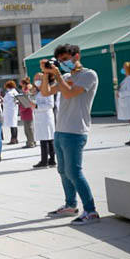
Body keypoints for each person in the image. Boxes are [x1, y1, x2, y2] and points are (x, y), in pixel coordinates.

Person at [40, 43, 99, 224]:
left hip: (76, 130)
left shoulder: (89, 75)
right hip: (61, 130)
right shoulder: (65, 75)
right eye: (59, 60)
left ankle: (91, 210)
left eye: (65, 59)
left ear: (76, 56)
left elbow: (69, 93)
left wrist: (57, 74)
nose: (62, 63)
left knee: (74, 172)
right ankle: (70, 205)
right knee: (63, 171)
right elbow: (45, 92)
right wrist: (46, 75)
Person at [31, 74, 56, 168]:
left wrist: (36, 106)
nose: (36, 80)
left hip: (46, 117)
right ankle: (52, 160)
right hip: (40, 117)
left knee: (46, 140)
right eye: (35, 78)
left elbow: (50, 105)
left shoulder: (47, 89)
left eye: (38, 78)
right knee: (47, 139)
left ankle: (44, 161)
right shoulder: (37, 91)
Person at [18, 78, 37, 148]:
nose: (20, 85)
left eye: (21, 83)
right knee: (27, 128)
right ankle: (30, 141)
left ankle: (31, 142)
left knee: (29, 128)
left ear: (24, 84)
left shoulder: (27, 91)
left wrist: (21, 107)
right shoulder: (24, 91)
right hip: (24, 112)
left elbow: (27, 102)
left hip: (27, 111)